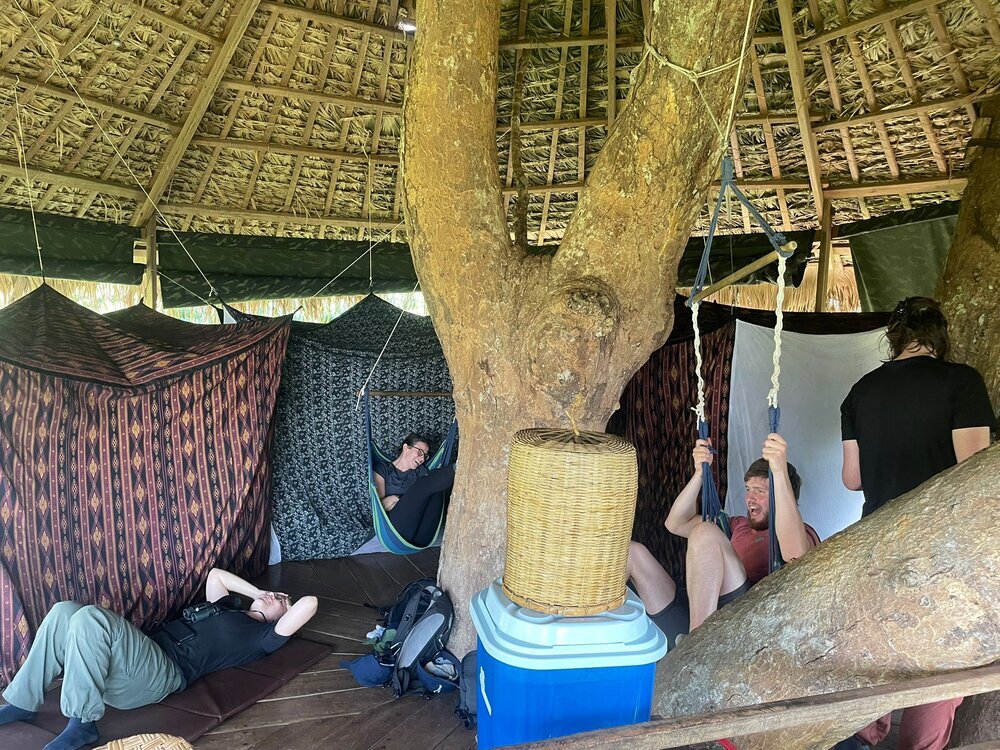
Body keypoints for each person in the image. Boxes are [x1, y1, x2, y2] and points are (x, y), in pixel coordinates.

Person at [840, 296, 995, 750]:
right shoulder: (961, 382)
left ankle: (865, 739)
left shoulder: (860, 391)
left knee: (875, 650)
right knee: (940, 657)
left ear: (894, 340)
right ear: (939, 338)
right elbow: (974, 470)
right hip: (943, 546)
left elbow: (852, 479)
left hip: (875, 540)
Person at [0, 568, 318, 750]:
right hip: (135, 662)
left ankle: (83, 723)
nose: (273, 597)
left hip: (162, 674)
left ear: (283, 619)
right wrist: (259, 592)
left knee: (90, 618)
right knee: (64, 611)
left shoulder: (261, 638)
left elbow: (310, 602)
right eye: (275, 594)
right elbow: (216, 575)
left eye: (280, 600)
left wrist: (284, 606)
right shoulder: (225, 607)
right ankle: (23, 702)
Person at [628, 433, 820, 650]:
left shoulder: (799, 532)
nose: (750, 498)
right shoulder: (736, 525)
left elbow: (796, 554)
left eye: (760, 491)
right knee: (631, 553)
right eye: (748, 490)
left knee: (704, 532)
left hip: (740, 622)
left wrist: (779, 472)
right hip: (698, 614)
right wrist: (699, 474)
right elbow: (675, 524)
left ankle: (696, 648)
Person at [373, 432, 455, 547]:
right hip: (396, 532)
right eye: (420, 452)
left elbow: (391, 501)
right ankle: (457, 468)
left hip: (423, 535)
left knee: (436, 490)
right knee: (421, 486)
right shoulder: (383, 469)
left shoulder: (422, 471)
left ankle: (461, 469)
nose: (422, 459)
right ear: (406, 447)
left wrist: (397, 499)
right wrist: (406, 499)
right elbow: (381, 506)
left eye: (425, 456)